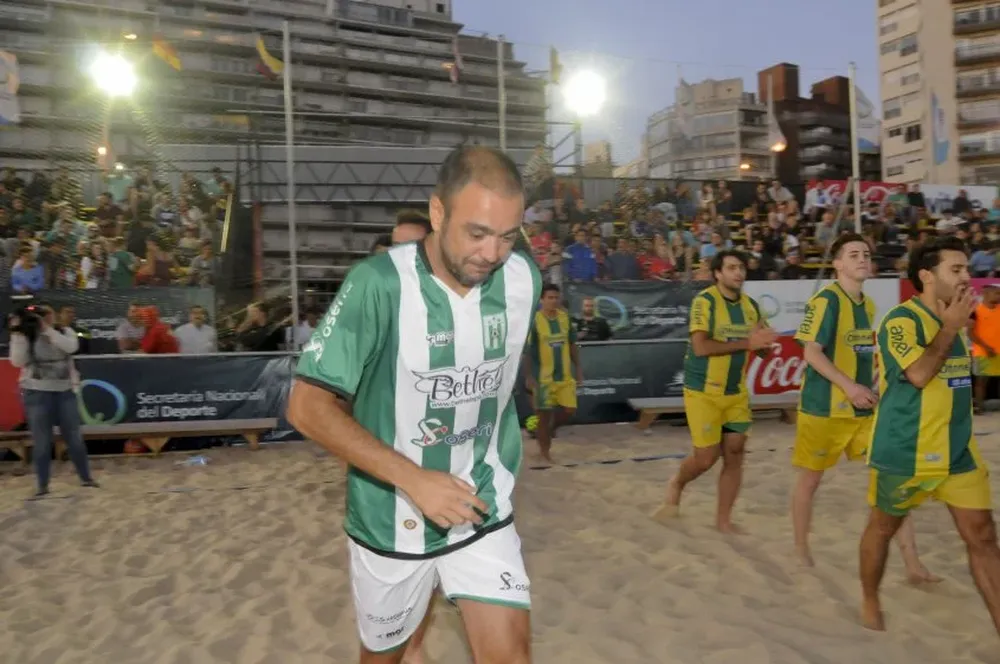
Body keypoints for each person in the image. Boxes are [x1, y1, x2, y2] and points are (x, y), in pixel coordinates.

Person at [288, 145, 540, 664]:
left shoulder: (524, 280)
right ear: (438, 212)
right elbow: (306, 406)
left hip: (482, 503)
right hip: (391, 516)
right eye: (477, 233)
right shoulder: (377, 284)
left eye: (508, 236)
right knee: (385, 657)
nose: (493, 254)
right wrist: (415, 478)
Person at [859, 237, 1000, 634]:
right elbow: (920, 375)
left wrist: (958, 327)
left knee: (984, 537)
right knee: (883, 528)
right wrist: (950, 328)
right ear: (926, 276)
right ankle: (870, 597)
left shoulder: (958, 321)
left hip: (957, 451)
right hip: (905, 450)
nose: (965, 277)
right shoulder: (900, 322)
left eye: (966, 269)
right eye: (955, 270)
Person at [790, 234, 937, 581]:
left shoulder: (867, 305)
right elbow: (811, 353)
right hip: (823, 408)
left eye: (866, 254)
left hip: (861, 409)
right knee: (810, 480)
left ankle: (913, 564)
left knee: (892, 477)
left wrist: (869, 385)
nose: (861, 259)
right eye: (853, 254)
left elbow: (858, 354)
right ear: (837, 264)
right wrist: (849, 386)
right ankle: (800, 549)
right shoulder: (825, 301)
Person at [652, 250, 777, 533]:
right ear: (718, 273)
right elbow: (701, 348)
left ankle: (723, 521)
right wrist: (748, 343)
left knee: (735, 452)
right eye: (732, 268)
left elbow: (762, 353)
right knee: (705, 459)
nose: (739, 273)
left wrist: (765, 345)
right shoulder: (704, 301)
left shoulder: (752, 307)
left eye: (742, 267)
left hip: (735, 392)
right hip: (703, 391)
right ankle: (677, 484)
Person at [8, 303, 99, 497]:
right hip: (36, 393)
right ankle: (42, 485)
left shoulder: (65, 331)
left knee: (74, 438)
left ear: (54, 316)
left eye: (46, 314)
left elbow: (71, 347)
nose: (43, 317)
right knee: (41, 441)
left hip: (64, 392)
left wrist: (47, 329)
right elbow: (17, 361)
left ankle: (86, 478)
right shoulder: (26, 334)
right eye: (40, 315)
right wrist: (18, 336)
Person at [523, 283, 582, 464]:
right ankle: (544, 452)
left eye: (556, 298)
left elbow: (572, 345)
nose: (554, 301)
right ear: (542, 300)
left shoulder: (565, 319)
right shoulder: (534, 321)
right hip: (543, 379)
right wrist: (529, 376)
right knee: (543, 416)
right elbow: (527, 352)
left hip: (564, 377)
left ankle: (548, 430)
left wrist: (578, 368)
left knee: (570, 410)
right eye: (550, 298)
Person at [969, 284, 1000, 414]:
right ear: (986, 294)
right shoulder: (975, 311)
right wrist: (986, 347)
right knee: (981, 381)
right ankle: (979, 407)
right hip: (982, 353)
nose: (999, 296)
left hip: (998, 352)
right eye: (997, 293)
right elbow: (970, 333)